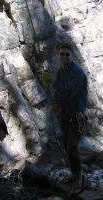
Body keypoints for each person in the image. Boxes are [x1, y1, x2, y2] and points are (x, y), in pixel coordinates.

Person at [41, 43, 88, 195]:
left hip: (76, 117)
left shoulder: (78, 73)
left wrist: (53, 81)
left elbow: (68, 93)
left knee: (72, 148)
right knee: (67, 146)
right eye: (62, 54)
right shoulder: (61, 72)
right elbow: (60, 92)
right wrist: (55, 103)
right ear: (58, 55)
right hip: (65, 114)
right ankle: (74, 173)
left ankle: (79, 178)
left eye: (67, 54)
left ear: (71, 56)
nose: (64, 57)